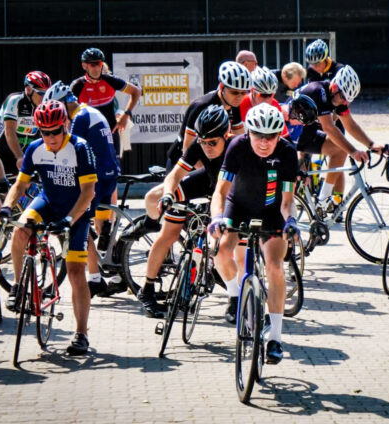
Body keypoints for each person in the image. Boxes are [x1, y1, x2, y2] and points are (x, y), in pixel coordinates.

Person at [0, 100, 98, 355]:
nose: (50, 137)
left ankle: (81, 334)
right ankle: (18, 286)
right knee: (20, 229)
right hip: (49, 202)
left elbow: (88, 193)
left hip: (76, 210)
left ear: (65, 124)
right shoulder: (34, 149)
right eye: (44, 132)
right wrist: (6, 207)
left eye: (55, 131)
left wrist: (70, 220)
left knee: (75, 273)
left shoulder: (80, 148)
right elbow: (19, 186)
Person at [208, 103, 299, 364]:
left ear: (279, 134)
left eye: (271, 136)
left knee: (275, 267)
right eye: (258, 135)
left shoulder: (287, 153)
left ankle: (276, 339)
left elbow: (286, 201)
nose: (264, 141)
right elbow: (221, 191)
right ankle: (235, 294)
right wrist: (217, 218)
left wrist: (290, 221)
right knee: (221, 252)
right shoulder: (237, 147)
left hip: (272, 212)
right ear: (248, 132)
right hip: (239, 207)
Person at [122, 61, 250, 241]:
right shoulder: (202, 106)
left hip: (208, 161)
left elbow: (240, 139)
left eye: (244, 93)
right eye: (235, 92)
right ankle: (150, 224)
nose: (240, 97)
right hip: (183, 160)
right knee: (170, 213)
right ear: (221, 87)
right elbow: (189, 148)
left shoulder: (233, 107)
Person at [137, 105, 231, 318]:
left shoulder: (236, 147)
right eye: (202, 141)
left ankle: (228, 283)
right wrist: (168, 194)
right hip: (205, 182)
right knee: (168, 233)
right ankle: (147, 289)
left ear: (226, 135)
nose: (206, 147)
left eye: (213, 143)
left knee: (223, 239)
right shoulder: (199, 145)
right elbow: (175, 175)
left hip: (226, 189)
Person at [43, 81, 122, 297]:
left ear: (64, 103)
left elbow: (70, 150)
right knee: (100, 228)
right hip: (108, 174)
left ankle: (95, 279)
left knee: (77, 220)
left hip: (98, 178)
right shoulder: (90, 111)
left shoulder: (80, 118)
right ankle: (116, 273)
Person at [294, 66, 385, 209]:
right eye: (344, 98)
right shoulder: (319, 92)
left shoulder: (338, 97)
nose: (345, 103)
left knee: (340, 150)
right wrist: (354, 151)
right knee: (341, 146)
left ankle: (322, 200)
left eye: (350, 100)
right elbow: (329, 128)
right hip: (293, 135)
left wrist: (371, 144)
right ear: (334, 87)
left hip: (308, 132)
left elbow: (351, 125)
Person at [70, 48, 142, 155]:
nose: (97, 68)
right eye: (92, 65)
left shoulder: (110, 80)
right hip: (88, 136)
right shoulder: (77, 86)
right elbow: (66, 109)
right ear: (84, 66)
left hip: (110, 134)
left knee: (115, 170)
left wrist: (126, 115)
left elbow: (136, 91)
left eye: (99, 64)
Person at [0, 71, 52, 178]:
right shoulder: (15, 100)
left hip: (21, 151)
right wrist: (19, 156)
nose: (44, 98)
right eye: (41, 93)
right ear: (28, 89)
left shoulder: (44, 105)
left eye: (46, 93)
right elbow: (9, 131)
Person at [238, 66, 289, 137]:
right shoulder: (240, 104)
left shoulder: (275, 105)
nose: (267, 100)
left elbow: (284, 136)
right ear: (252, 91)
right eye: (263, 95)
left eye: (270, 95)